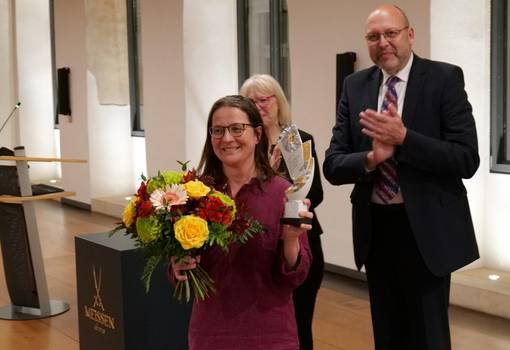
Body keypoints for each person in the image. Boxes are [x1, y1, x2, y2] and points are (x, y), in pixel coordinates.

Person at [323, 4, 479, 350]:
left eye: (391, 33)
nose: (383, 42)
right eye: (374, 37)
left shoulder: (444, 78)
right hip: (377, 228)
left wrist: (405, 139)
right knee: (388, 334)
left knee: (428, 336)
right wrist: (371, 158)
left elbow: (466, 159)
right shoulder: (355, 86)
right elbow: (332, 164)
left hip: (428, 230)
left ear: (410, 34)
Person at [171, 95, 313, 350]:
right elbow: (177, 265)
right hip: (210, 334)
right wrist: (178, 265)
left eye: (237, 129)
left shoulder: (283, 192)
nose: (227, 138)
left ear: (258, 134)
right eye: (218, 130)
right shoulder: (194, 192)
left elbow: (295, 276)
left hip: (269, 334)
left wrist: (291, 239)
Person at [240, 74, 325, 350]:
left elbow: (316, 195)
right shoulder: (242, 145)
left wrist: (279, 182)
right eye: (252, 101)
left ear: (279, 102)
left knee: (300, 325)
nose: (259, 105)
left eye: (265, 99)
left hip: (299, 242)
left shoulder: (300, 141)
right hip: (256, 245)